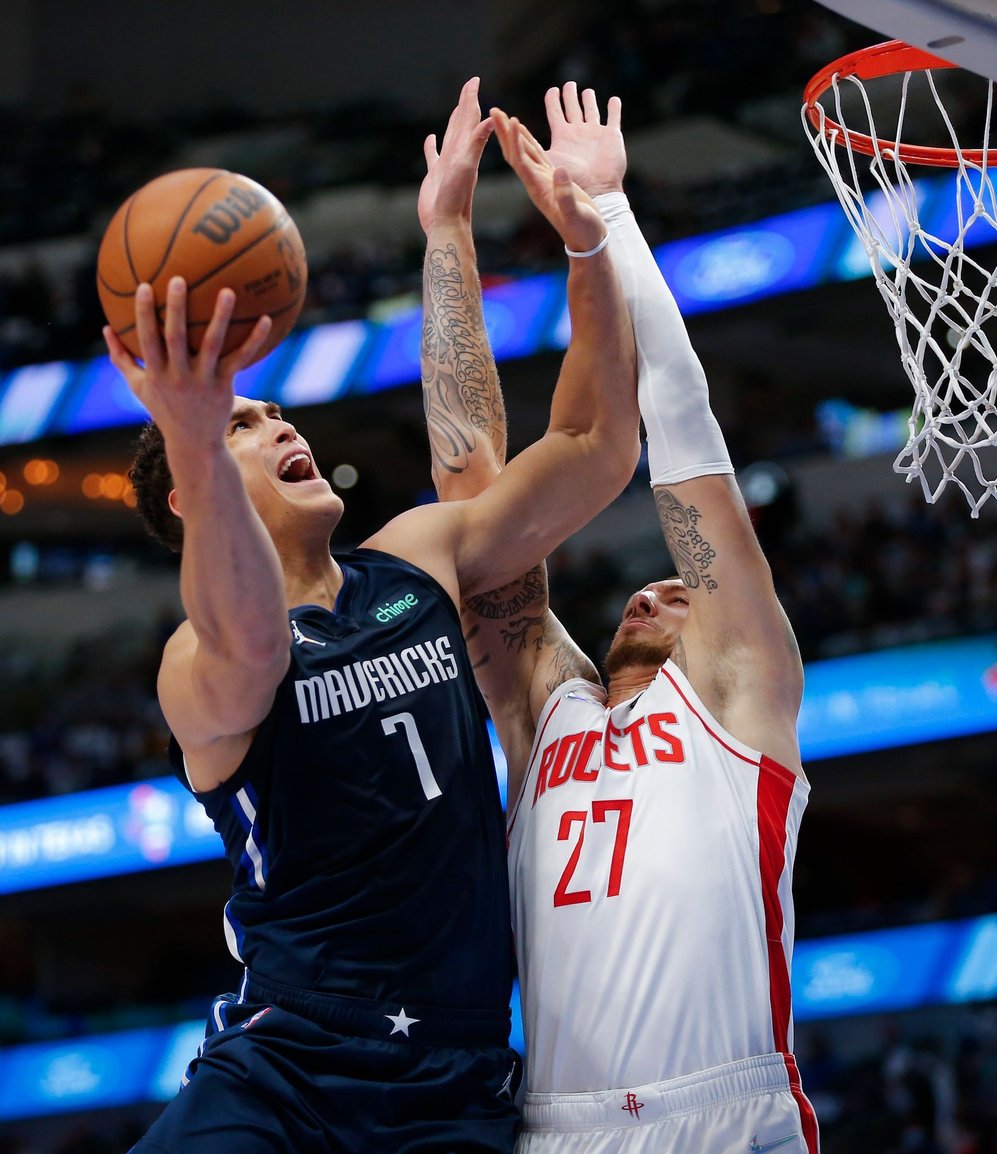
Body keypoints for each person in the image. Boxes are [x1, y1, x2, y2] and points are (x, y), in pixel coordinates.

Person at [104, 77, 639, 1154]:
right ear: (186, 490)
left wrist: (591, 244)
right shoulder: (194, 662)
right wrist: (200, 433)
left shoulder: (417, 561)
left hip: (454, 1081)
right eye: (250, 422)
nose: (279, 422)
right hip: (284, 1073)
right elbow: (255, 639)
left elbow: (594, 451)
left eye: (274, 410)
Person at [422, 83, 820, 1154]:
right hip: (558, 1129)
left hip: (725, 1108)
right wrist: (446, 237)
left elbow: (681, 428)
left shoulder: (736, 696)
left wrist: (609, 219)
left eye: (678, 589)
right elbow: (470, 488)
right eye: (642, 585)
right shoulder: (547, 712)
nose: (653, 587)